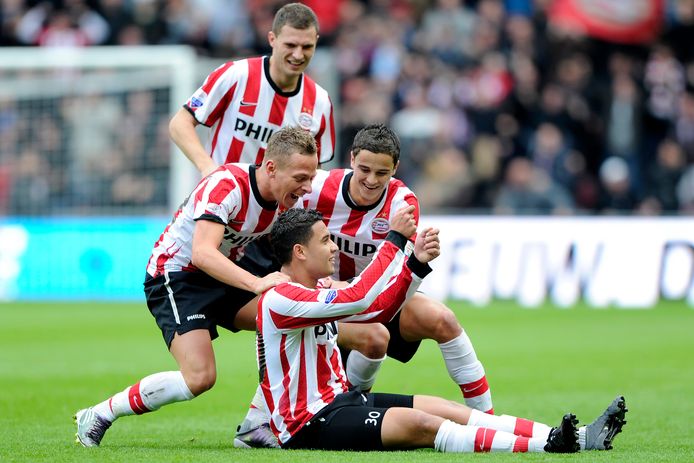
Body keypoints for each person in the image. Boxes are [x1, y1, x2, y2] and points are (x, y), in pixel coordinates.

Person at [256, 207, 627, 453]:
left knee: (447, 408)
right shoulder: (281, 298)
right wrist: (394, 242)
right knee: (422, 424)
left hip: (341, 400)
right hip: (307, 422)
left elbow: (380, 309)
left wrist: (415, 264)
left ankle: (579, 437)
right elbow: (363, 298)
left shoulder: (314, 290)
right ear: (300, 252)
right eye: (325, 240)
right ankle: (551, 447)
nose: (334, 247)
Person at [235, 124, 494, 447]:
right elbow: (289, 240)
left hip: (381, 294)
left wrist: (364, 294)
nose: (372, 180)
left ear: (395, 169)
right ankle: (302, 414)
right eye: (364, 170)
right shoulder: (318, 190)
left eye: (382, 173)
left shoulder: (403, 202)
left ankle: (488, 418)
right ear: (352, 159)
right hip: (323, 297)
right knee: (373, 338)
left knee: (442, 320)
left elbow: (399, 279)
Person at [73, 126, 319, 447]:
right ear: (271, 167)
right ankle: (101, 413)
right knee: (199, 378)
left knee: (286, 318)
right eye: (300, 178)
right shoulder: (227, 185)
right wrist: (258, 283)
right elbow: (202, 253)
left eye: (311, 178)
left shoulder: (286, 202)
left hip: (222, 274)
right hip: (176, 276)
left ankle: (256, 425)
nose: (307, 186)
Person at [169, 2, 334, 178]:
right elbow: (180, 123)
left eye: (307, 47)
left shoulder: (320, 101)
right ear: (272, 39)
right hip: (221, 199)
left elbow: (315, 170)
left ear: (316, 42)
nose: (298, 55)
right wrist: (207, 167)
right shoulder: (237, 75)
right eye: (291, 45)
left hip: (279, 206)